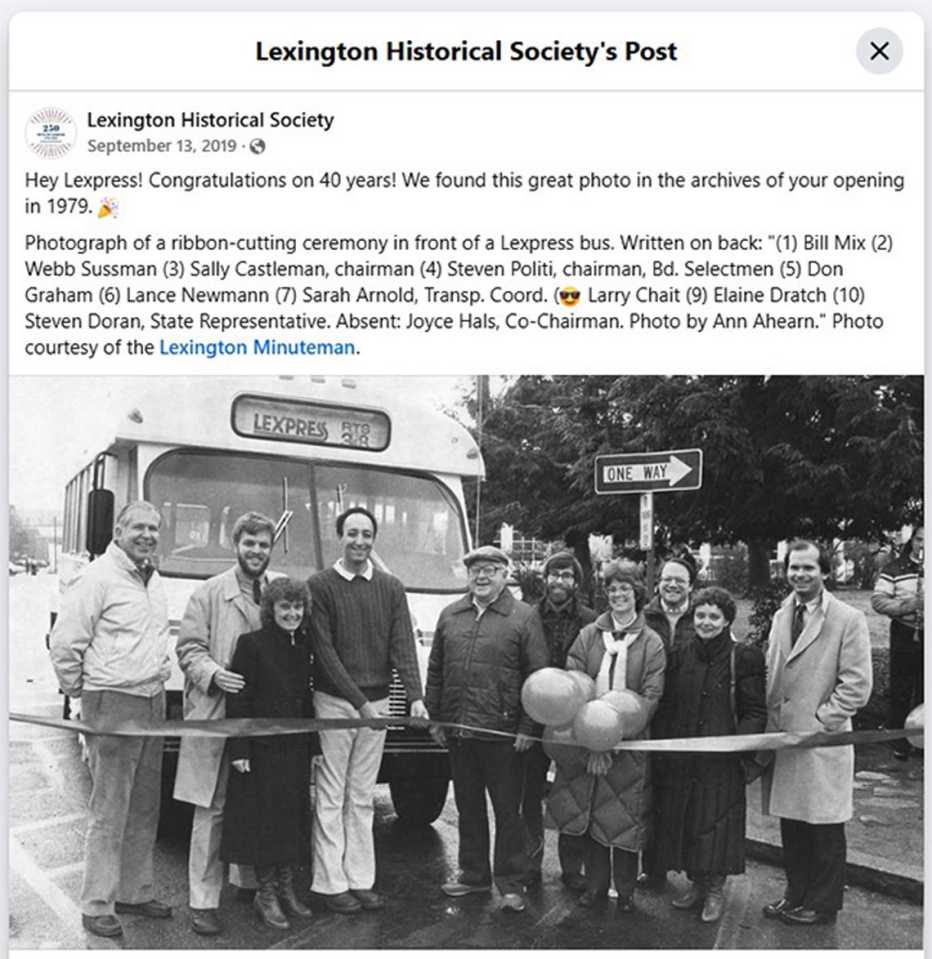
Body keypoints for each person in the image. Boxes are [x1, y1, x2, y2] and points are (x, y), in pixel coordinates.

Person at [49, 501, 172, 939]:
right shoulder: (99, 577)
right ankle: (96, 902)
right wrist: (83, 692)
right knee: (110, 807)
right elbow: (65, 642)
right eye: (138, 527)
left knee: (144, 804)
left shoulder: (151, 577)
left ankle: (135, 892)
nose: (147, 535)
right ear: (119, 531)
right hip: (113, 703)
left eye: (154, 528)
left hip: (152, 701)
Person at [308, 506, 428, 914]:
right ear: (339, 537)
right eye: (352, 533)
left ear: (374, 539)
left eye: (367, 534)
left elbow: (402, 645)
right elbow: (323, 654)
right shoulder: (319, 586)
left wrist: (415, 695)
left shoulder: (391, 588)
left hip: (375, 705)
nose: (360, 541)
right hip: (334, 704)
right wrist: (359, 703)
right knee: (330, 793)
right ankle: (329, 884)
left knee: (360, 796)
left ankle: (360, 880)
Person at [426, 545, 549, 913]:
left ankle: (511, 882)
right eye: (475, 570)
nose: (481, 576)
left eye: (490, 570)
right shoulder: (450, 615)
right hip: (460, 732)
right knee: (469, 808)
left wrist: (529, 726)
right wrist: (436, 718)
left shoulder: (523, 617)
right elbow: (435, 671)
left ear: (504, 574)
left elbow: (539, 678)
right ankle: (474, 875)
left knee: (508, 811)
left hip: (505, 736)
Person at [173, 511, 276, 936]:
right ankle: (203, 902)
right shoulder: (209, 593)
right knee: (211, 808)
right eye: (249, 543)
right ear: (236, 545)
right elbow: (188, 649)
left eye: (263, 544)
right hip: (217, 716)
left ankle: (248, 884)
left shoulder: (278, 590)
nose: (256, 551)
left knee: (256, 802)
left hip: (263, 720)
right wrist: (214, 673)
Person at [761, 540, 872, 926]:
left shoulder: (847, 618)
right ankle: (795, 894)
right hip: (787, 739)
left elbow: (857, 685)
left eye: (809, 568)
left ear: (824, 571)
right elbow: (774, 672)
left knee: (824, 828)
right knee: (793, 825)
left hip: (823, 740)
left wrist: (823, 720)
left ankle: (822, 905)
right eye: (794, 568)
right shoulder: (781, 616)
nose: (800, 575)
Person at [546, 561, 666, 913]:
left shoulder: (652, 642)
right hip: (587, 739)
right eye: (612, 589)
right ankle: (595, 887)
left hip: (630, 743)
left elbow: (652, 694)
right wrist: (593, 738)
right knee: (593, 815)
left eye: (625, 589)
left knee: (625, 818)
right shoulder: (588, 635)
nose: (618, 595)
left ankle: (626, 891)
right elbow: (573, 681)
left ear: (637, 594)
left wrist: (614, 738)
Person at [652, 587, 767, 922]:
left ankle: (715, 889)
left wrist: (738, 748)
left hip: (722, 760)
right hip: (684, 758)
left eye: (714, 616)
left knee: (717, 824)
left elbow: (755, 710)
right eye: (700, 615)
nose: (706, 622)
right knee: (689, 820)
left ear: (727, 619)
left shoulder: (744, 657)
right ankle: (696, 883)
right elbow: (668, 705)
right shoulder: (680, 655)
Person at [220, 578, 317, 930]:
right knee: (265, 821)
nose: (292, 613)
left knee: (292, 818)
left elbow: (308, 703)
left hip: (294, 750)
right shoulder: (251, 644)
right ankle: (266, 894)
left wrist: (314, 748)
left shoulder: (303, 645)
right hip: (260, 752)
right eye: (284, 607)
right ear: (271, 611)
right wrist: (240, 748)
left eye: (297, 607)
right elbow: (239, 699)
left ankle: (287, 888)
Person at [520, 551, 596, 890]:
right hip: (531, 718)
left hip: (572, 722)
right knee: (529, 794)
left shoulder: (591, 621)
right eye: (554, 575)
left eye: (566, 576)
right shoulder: (527, 617)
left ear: (576, 582)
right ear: (544, 579)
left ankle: (571, 869)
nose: (559, 582)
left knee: (571, 794)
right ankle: (529, 864)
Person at [640, 554, 698, 888]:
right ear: (658, 582)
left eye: (680, 579)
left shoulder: (702, 614)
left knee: (690, 797)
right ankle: (654, 867)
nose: (672, 584)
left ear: (691, 584)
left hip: (692, 719)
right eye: (666, 579)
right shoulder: (644, 616)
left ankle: (693, 869)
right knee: (653, 794)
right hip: (653, 717)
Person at [871, 526, 923, 760]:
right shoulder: (894, 569)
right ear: (912, 541)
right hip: (906, 632)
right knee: (902, 687)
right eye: (920, 540)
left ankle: (923, 740)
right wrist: (909, 606)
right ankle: (899, 740)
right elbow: (878, 601)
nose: (924, 546)